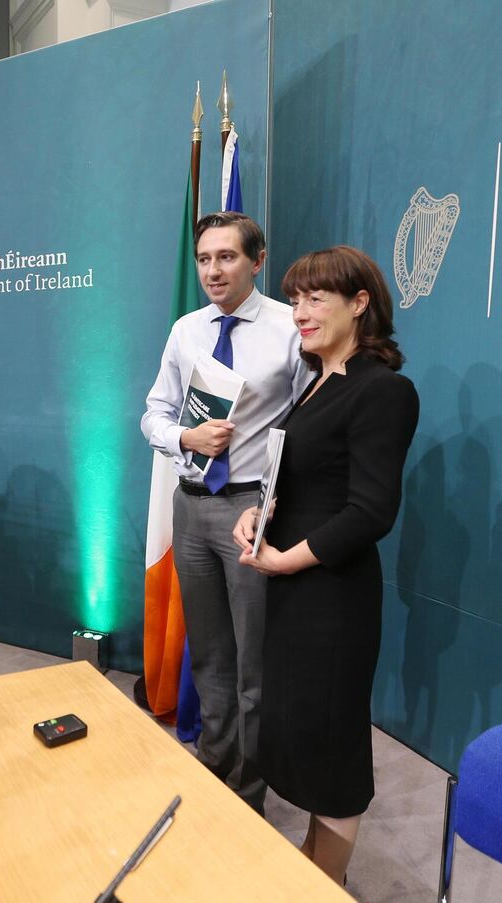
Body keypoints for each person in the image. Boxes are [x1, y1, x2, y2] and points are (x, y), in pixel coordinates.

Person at [233, 246, 419, 882]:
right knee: (304, 736)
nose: (300, 313)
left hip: (332, 598)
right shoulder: (315, 383)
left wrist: (288, 562)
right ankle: (308, 874)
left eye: (316, 298)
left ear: (359, 303)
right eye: (295, 299)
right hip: (295, 589)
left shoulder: (383, 389)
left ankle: (326, 884)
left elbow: (371, 512)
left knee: (334, 750)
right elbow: (303, 481)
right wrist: (259, 515)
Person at [141, 211, 308, 813]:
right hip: (191, 507)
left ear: (257, 261)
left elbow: (307, 426)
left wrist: (274, 504)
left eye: (227, 257)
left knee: (253, 667)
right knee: (210, 657)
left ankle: (250, 796)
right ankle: (215, 779)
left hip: (250, 512)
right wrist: (186, 440)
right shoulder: (187, 330)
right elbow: (154, 413)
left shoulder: (292, 328)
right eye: (205, 258)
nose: (213, 270)